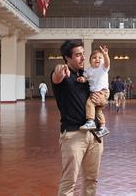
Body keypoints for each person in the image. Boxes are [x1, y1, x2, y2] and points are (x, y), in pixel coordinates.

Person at [51, 40, 107, 196]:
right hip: (74, 135)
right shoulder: (63, 75)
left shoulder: (89, 74)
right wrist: (59, 70)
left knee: (92, 180)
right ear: (67, 58)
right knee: (69, 181)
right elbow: (56, 76)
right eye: (78, 55)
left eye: (83, 54)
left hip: (95, 134)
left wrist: (103, 101)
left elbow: (100, 99)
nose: (83, 58)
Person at [78, 45, 111, 137]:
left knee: (89, 103)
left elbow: (107, 63)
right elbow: (85, 78)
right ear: (90, 61)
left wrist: (105, 55)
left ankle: (90, 121)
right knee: (98, 111)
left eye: (100, 58)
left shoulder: (103, 68)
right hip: (94, 92)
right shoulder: (88, 70)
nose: (97, 59)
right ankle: (103, 127)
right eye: (94, 58)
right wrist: (82, 79)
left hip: (102, 91)